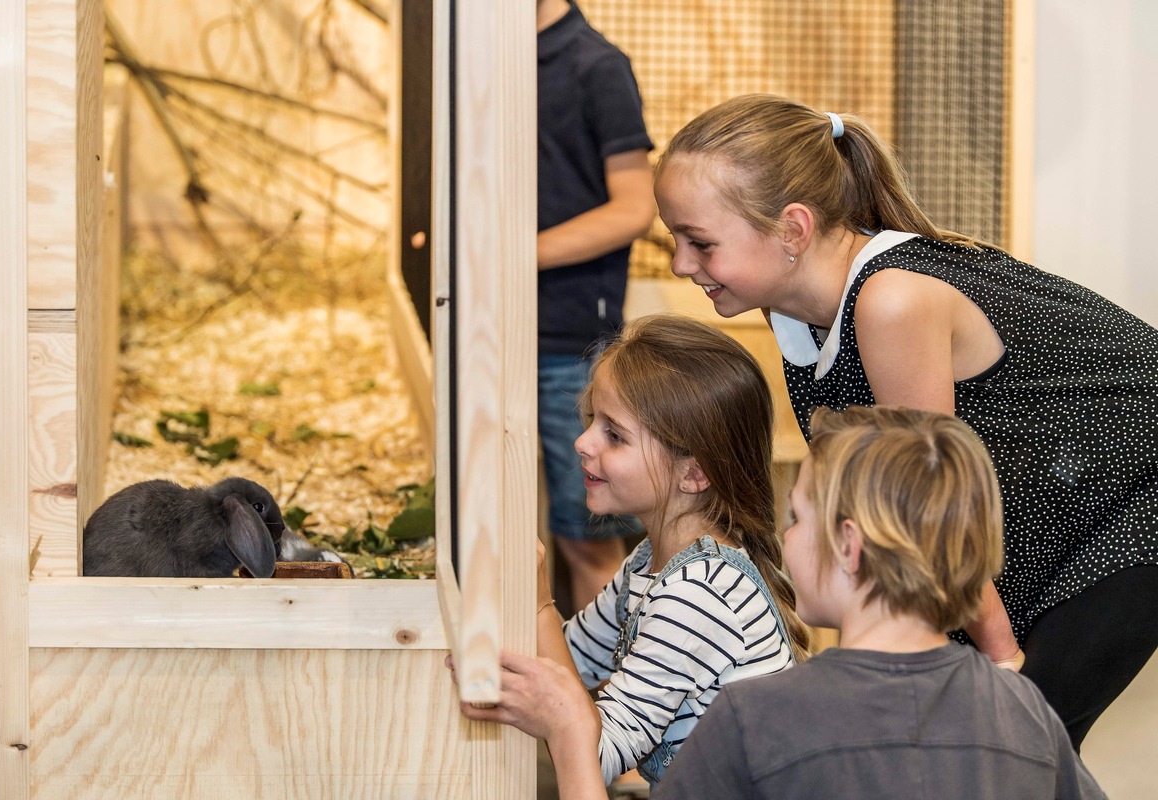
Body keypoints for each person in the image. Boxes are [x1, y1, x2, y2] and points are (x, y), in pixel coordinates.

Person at [652, 92, 1158, 749]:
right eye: (674, 238)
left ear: (793, 230)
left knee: (1018, 739)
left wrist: (1003, 663)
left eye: (700, 242)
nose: (679, 264)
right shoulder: (795, 315)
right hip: (1060, 500)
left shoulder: (891, 301)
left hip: (1134, 505)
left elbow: (926, 512)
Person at [653, 407, 1105, 798]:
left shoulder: (753, 717)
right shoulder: (1022, 709)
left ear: (850, 545)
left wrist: (578, 735)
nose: (786, 536)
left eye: (798, 517)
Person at [461, 314, 811, 788]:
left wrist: (538, 602)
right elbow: (574, 659)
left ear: (693, 473)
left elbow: (593, 753)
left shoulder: (700, 593)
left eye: (615, 435)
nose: (583, 442)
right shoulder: (651, 561)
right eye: (592, 422)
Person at [535, 0, 656, 614]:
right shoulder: (486, 66)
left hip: (570, 340)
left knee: (586, 541)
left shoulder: (596, 65)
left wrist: (519, 254)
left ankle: (615, 706)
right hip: (492, 331)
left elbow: (635, 205)